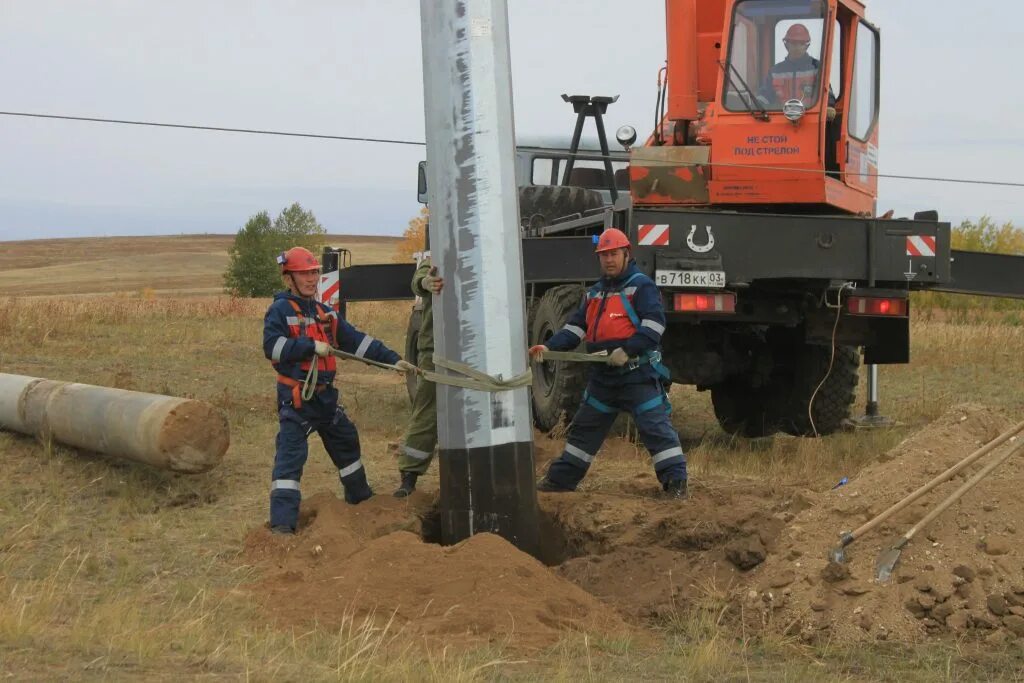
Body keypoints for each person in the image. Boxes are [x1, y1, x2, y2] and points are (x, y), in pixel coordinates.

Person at [262, 246, 415, 534]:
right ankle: (282, 526)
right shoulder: (280, 310)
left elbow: (356, 341)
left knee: (346, 443)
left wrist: (393, 360)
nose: (311, 279)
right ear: (289, 278)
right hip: (297, 400)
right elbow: (273, 348)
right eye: (304, 274)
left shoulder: (324, 313)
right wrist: (310, 346)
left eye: (314, 273)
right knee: (290, 459)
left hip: (325, 397)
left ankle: (359, 500)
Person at [529, 229, 688, 499]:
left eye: (613, 254)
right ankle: (560, 483)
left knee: (656, 430)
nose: (608, 260)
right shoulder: (595, 293)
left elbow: (655, 325)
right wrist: (550, 346)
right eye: (603, 255)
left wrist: (627, 350)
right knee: (583, 433)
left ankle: (676, 487)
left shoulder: (642, 286)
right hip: (603, 380)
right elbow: (576, 328)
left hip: (637, 376)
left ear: (626, 254)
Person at [393, 255, 444, 497]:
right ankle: (409, 477)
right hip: (436, 351)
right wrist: (426, 282)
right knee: (427, 413)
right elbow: (418, 280)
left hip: (476, 353)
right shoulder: (437, 257)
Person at [759, 23, 836, 121]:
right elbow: (764, 95)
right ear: (786, 45)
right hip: (779, 121)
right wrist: (756, 107)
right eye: (793, 43)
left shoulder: (817, 68)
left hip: (810, 120)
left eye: (801, 43)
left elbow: (826, 91)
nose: (797, 47)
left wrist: (828, 106)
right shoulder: (775, 72)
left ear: (806, 46)